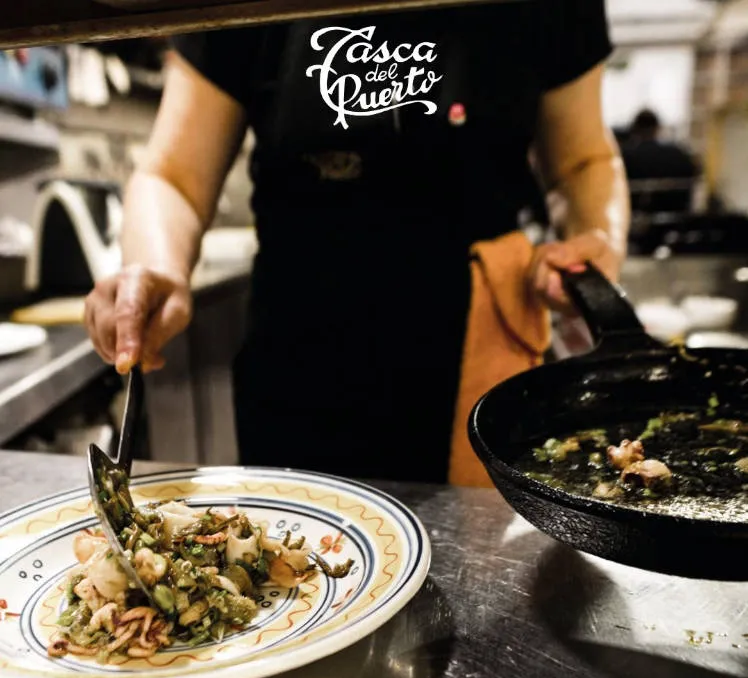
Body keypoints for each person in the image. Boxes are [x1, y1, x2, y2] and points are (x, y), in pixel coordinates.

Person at [84, 0, 630, 483]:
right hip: (299, 366)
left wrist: (595, 237)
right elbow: (175, 175)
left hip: (482, 366)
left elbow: (583, 161)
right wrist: (155, 264)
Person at [621, 108, 699, 214]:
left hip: (634, 218)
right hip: (674, 216)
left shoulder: (624, 157)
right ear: (657, 128)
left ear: (635, 129)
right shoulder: (678, 154)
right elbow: (694, 175)